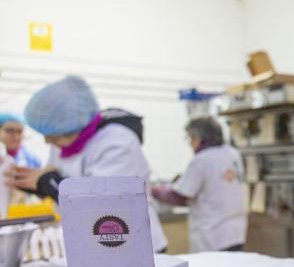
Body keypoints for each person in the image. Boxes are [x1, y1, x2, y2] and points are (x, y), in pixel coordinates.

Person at [7, 76, 168, 252]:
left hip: (134, 243)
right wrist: (35, 184)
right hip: (94, 242)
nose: (47, 141)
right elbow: (59, 183)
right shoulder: (61, 144)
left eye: (54, 134)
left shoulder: (116, 141)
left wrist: (47, 182)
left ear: (78, 126)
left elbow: (102, 202)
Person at [152, 117, 248, 252]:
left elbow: (178, 196)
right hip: (235, 233)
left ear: (198, 137)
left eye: (191, 138)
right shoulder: (233, 153)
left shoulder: (202, 160)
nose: (190, 143)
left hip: (212, 236)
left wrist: (155, 191)